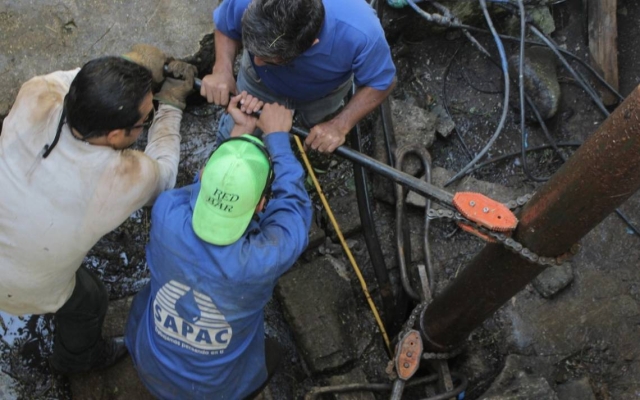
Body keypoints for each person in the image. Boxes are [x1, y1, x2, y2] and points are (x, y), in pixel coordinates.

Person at [0, 45, 197, 374]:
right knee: (89, 301)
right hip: (21, 286)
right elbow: (164, 175)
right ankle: (78, 361)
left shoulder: (35, 94)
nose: (145, 122)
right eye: (143, 120)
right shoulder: (123, 178)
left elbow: (78, 83)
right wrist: (171, 106)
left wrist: (129, 66)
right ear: (117, 134)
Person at [125, 94, 312, 399]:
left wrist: (238, 133)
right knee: (273, 352)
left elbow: (203, 186)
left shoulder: (166, 214)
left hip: (150, 367)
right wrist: (278, 140)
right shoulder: (261, 260)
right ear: (262, 205)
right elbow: (293, 210)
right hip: (215, 392)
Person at [200, 0, 396, 153]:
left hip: (322, 96)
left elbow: (381, 82)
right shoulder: (247, 1)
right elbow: (226, 26)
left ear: (312, 44)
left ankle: (304, 152)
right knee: (233, 132)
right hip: (258, 86)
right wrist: (222, 71)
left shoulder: (361, 32)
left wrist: (339, 125)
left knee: (315, 139)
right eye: (254, 51)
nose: (256, 62)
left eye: (269, 59)